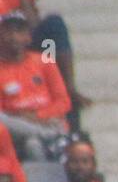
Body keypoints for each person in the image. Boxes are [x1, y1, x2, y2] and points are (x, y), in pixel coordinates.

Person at [0, 10, 70, 161]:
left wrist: (37, 116)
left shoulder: (45, 60)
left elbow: (63, 102)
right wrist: (24, 119)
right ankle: (48, 135)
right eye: (7, 31)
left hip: (47, 121)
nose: (13, 37)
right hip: (16, 126)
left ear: (28, 37)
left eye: (19, 31)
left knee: (32, 143)